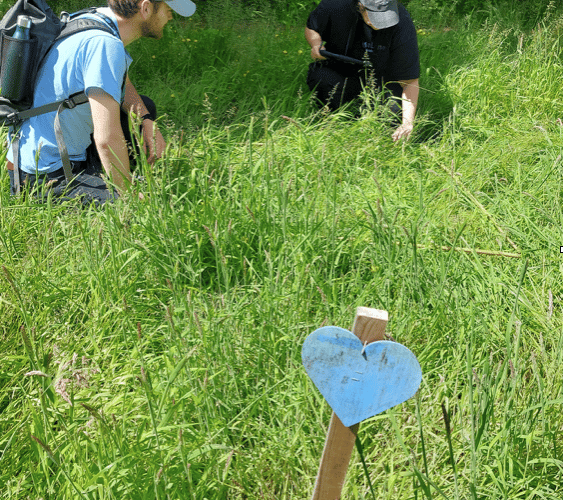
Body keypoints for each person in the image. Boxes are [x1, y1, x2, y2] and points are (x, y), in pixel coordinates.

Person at [6, 0, 196, 205]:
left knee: (145, 107)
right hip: (45, 176)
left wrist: (147, 121)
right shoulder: (105, 43)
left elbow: (122, 81)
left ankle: (106, 173)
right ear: (146, 8)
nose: (170, 16)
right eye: (168, 10)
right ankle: (106, 183)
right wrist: (128, 194)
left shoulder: (95, 19)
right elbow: (107, 138)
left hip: (27, 156)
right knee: (143, 209)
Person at [305, 0, 420, 141]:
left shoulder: (402, 24)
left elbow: (410, 80)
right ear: (361, 7)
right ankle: (335, 120)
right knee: (321, 79)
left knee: (392, 117)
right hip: (341, 71)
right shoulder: (335, 5)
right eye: (376, 16)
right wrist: (316, 43)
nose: (382, 22)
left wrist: (407, 123)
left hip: (381, 81)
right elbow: (312, 27)